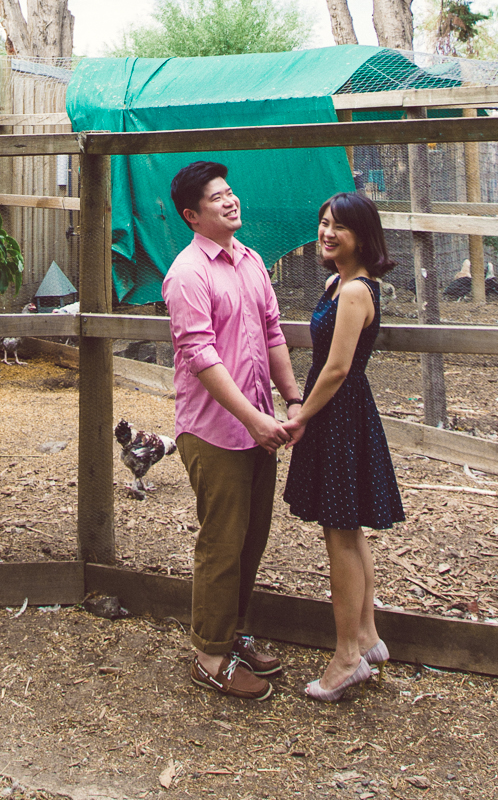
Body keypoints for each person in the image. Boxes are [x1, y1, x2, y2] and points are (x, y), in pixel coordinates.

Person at [162, 159, 304, 700]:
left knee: (251, 537)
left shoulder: (250, 262)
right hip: (214, 431)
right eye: (216, 198)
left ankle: (232, 633)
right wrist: (254, 417)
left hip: (259, 427)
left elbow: (272, 335)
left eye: (230, 192)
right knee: (221, 543)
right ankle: (208, 656)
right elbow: (199, 356)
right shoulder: (187, 274)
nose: (231, 200)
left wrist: (290, 399)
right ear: (192, 216)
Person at [282, 190, 405, 701]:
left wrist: (300, 419)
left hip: (340, 412)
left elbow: (335, 368)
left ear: (363, 236)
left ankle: (346, 658)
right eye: (324, 222)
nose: (327, 233)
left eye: (340, 227)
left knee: (340, 533)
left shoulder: (357, 292)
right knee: (347, 529)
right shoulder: (336, 281)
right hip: (338, 411)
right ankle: (369, 636)